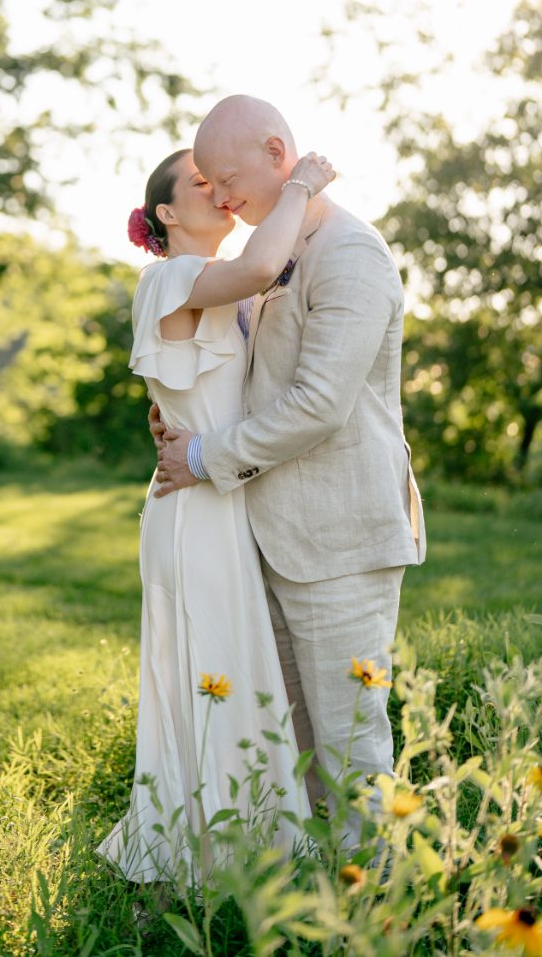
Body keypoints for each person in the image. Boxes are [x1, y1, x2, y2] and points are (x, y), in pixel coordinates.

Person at [151, 95, 426, 840]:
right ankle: (310, 906)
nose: (218, 195)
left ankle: (375, 916)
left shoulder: (351, 253)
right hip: (265, 537)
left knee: (350, 751)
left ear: (279, 154)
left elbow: (317, 405)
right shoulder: (263, 256)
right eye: (205, 182)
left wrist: (204, 455)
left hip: (340, 539)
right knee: (291, 747)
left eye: (227, 176)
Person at [97, 144, 335, 885]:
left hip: (208, 495)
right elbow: (264, 266)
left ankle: (243, 835)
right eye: (202, 184)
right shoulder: (176, 274)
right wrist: (300, 183)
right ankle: (217, 852)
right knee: (216, 666)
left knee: (231, 666)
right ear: (167, 213)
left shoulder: (200, 284)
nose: (220, 193)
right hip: (194, 510)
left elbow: (196, 389)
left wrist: (170, 422)